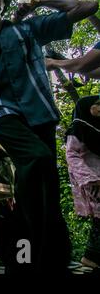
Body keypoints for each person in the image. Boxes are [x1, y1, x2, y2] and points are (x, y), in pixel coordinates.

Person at [0, 0, 98, 273]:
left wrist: (40, 1)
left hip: (41, 112)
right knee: (37, 158)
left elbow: (88, 6)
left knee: (48, 188)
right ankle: (19, 256)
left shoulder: (27, 28)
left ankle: (51, 260)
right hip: (0, 114)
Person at [65, 96, 100, 269]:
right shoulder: (78, 127)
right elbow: (71, 155)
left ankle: (92, 257)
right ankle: (90, 257)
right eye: (97, 106)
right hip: (92, 180)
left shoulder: (96, 129)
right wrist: (91, 178)